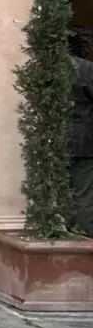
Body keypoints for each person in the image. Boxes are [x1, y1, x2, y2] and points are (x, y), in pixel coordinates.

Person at [72, 28, 93, 236]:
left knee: (65, 194)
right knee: (85, 195)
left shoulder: (53, 68)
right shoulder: (86, 69)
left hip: (56, 141)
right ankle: (86, 240)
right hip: (84, 142)